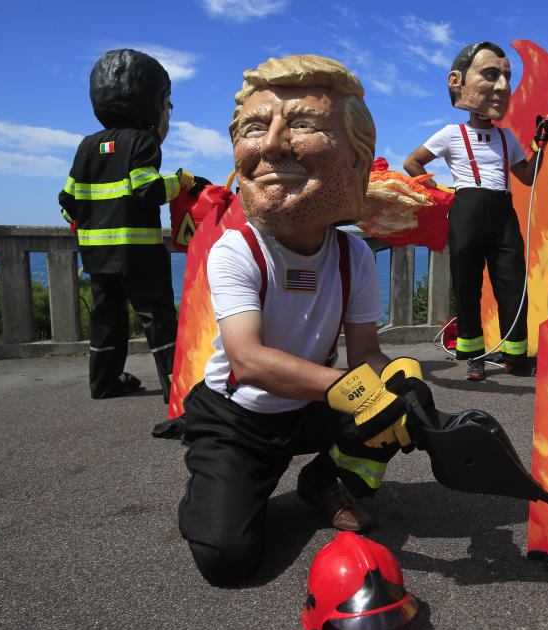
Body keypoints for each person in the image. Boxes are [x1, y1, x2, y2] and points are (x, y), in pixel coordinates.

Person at [177, 54, 430, 586]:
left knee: (398, 404)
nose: (270, 144)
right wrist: (355, 389)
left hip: (311, 404)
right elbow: (248, 359)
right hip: (239, 415)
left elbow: (365, 354)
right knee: (226, 559)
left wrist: (397, 379)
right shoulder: (236, 250)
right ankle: (223, 480)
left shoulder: (352, 256)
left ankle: (326, 480)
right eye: (254, 128)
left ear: (357, 162)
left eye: (304, 125)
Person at [403, 41, 548, 381]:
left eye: (506, 78)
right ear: (461, 84)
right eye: (489, 75)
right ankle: (474, 358)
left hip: (503, 210)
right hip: (467, 208)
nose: (501, 86)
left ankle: (516, 356)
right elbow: (412, 162)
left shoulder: (508, 137)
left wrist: (541, 146)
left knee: (513, 285)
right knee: (468, 286)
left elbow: (526, 177)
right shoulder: (451, 134)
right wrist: (439, 193)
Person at [59, 49, 198, 402]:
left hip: (96, 255)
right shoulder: (142, 142)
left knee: (107, 319)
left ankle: (103, 383)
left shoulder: (86, 146)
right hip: (138, 253)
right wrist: (179, 182)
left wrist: (83, 222)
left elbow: (68, 202)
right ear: (152, 103)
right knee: (159, 318)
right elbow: (148, 189)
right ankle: (179, 391)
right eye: (168, 105)